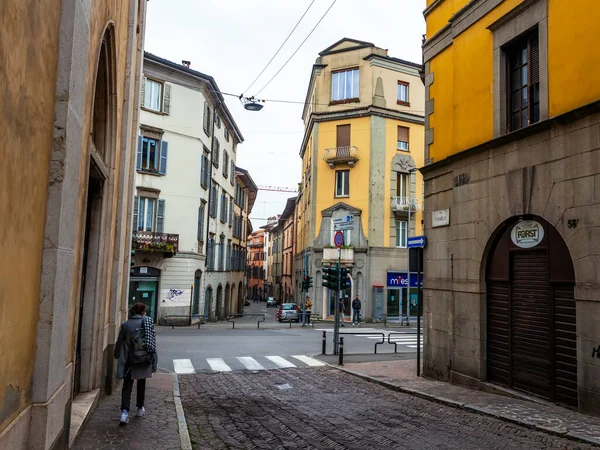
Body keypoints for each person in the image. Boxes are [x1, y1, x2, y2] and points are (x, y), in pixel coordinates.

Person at [114, 302, 157, 425]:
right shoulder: (148, 323)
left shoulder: (126, 325)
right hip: (143, 358)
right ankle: (139, 408)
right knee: (141, 383)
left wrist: (117, 355)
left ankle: (124, 412)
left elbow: (119, 342)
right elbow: (153, 342)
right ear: (143, 311)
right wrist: (154, 361)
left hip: (129, 359)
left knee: (127, 386)